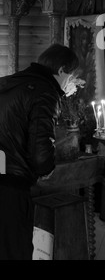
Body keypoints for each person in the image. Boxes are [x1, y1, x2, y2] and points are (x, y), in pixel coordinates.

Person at [0, 43, 79, 260]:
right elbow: (41, 150)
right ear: (61, 70)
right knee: (15, 250)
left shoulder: (9, 82)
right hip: (11, 187)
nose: (68, 83)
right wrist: (46, 167)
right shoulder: (45, 92)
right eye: (70, 77)